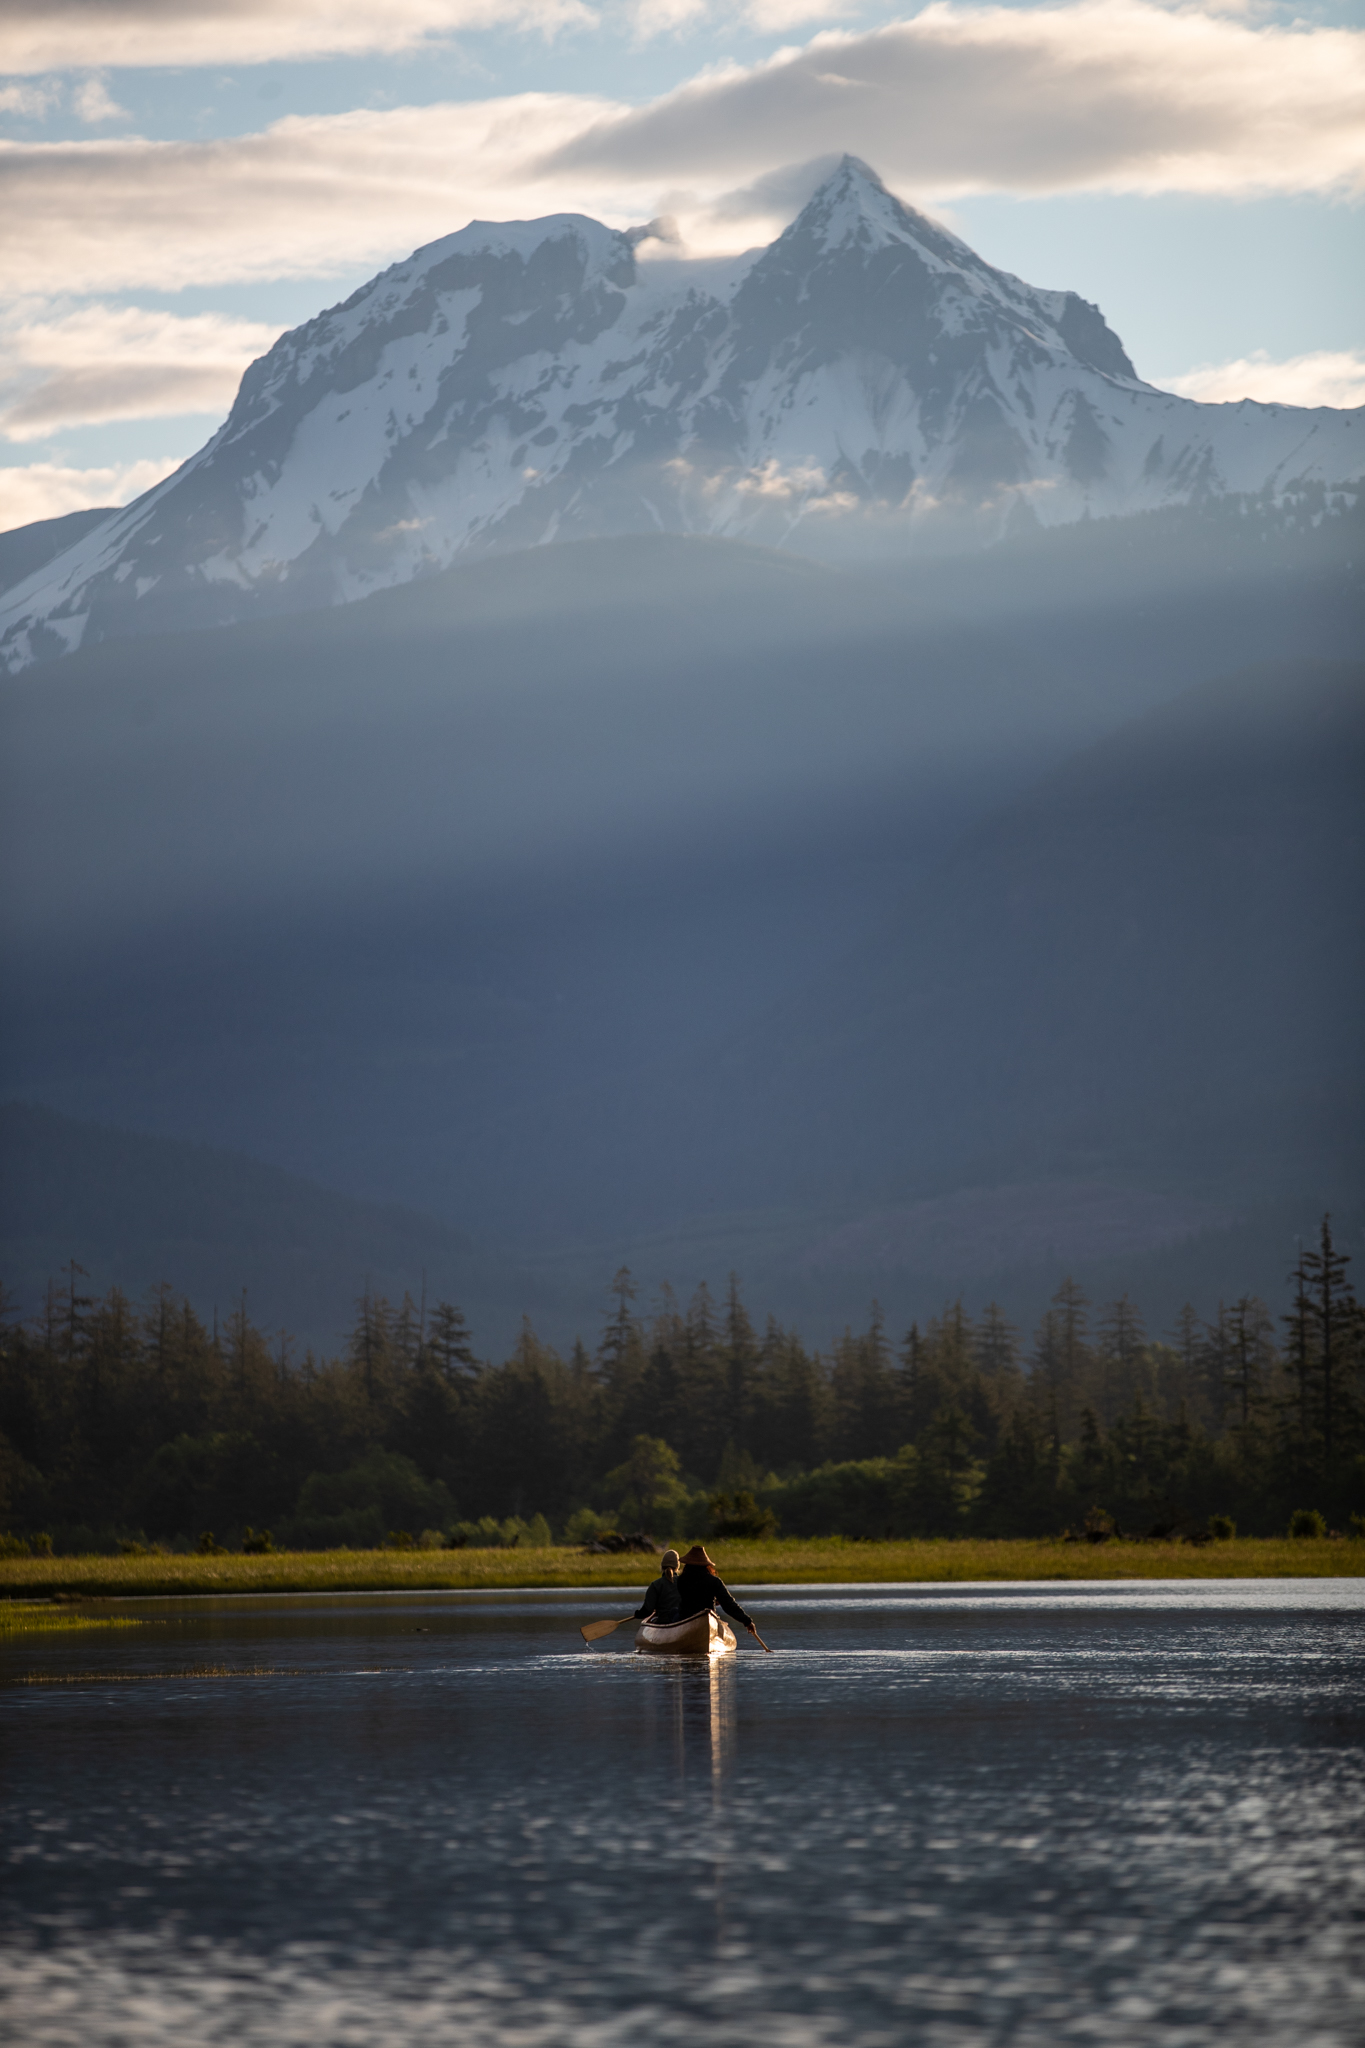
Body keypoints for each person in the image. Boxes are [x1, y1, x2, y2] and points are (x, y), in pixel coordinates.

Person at [675, 1543, 759, 1640]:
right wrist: (747, 1621)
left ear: (688, 1565)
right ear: (706, 1565)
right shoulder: (714, 1581)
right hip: (708, 1619)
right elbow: (728, 1605)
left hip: (685, 1618)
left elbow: (692, 1598)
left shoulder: (681, 1580)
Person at [634, 1549, 682, 1625]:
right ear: (677, 1566)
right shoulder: (685, 1582)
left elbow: (647, 1610)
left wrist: (638, 1614)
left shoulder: (655, 1584)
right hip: (682, 1621)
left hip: (663, 1622)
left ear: (662, 1566)